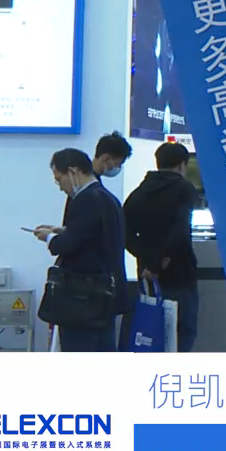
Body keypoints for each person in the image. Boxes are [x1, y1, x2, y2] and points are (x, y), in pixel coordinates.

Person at [34, 148, 128, 353]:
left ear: (73, 171)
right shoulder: (107, 198)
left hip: (83, 299)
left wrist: (50, 238)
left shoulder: (85, 199)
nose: (60, 187)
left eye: (59, 180)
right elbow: (93, 236)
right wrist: (65, 231)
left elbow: (68, 245)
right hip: (105, 295)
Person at [123, 141, 199, 352]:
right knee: (183, 331)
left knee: (152, 332)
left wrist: (148, 261)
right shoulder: (184, 188)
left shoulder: (140, 192)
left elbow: (124, 231)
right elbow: (180, 229)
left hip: (148, 277)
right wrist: (159, 261)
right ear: (182, 165)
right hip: (180, 272)